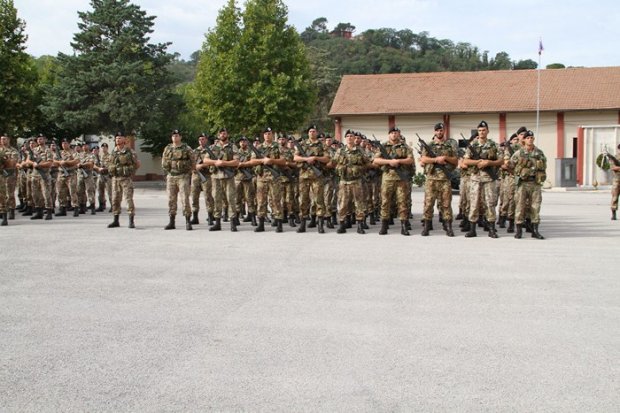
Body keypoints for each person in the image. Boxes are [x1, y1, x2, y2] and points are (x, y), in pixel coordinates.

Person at [463, 121, 503, 238]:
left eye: (484, 130)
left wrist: (489, 162)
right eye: (479, 130)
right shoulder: (472, 145)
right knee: (474, 203)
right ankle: (472, 230)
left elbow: (501, 161)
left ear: (488, 131)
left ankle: (491, 229)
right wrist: (478, 162)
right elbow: (465, 160)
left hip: (489, 179)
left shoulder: (494, 145)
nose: (481, 132)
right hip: (475, 179)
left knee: (490, 203)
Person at [372, 126, 415, 235]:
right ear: (389, 134)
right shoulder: (383, 146)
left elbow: (410, 160)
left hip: (401, 179)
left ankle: (404, 226)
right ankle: (384, 226)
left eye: (396, 133)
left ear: (399, 134)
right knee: (385, 202)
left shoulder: (405, 147)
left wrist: (398, 161)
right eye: (392, 133)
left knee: (402, 202)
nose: (394, 134)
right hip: (387, 178)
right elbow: (376, 160)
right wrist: (389, 162)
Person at [419, 123, 458, 236]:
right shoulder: (429, 145)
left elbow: (455, 161)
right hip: (431, 178)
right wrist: (436, 160)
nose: (439, 132)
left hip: (445, 179)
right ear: (434, 132)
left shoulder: (450, 145)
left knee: (446, 204)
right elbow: (423, 159)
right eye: (437, 130)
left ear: (444, 131)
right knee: (428, 203)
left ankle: (448, 227)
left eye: (441, 130)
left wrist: (445, 158)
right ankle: (426, 226)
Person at [509, 130, 547, 239]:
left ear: (533, 139)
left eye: (531, 138)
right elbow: (510, 166)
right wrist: (517, 175)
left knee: (535, 206)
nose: (530, 139)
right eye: (527, 138)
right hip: (523, 184)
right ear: (524, 140)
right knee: (520, 206)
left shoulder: (539, 153)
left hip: (535, 183)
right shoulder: (519, 153)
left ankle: (535, 231)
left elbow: (544, 166)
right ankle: (519, 230)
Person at [294, 125, 330, 233]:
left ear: (316, 132)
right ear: (308, 133)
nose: (312, 133)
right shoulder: (302, 144)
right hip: (304, 176)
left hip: (317, 176)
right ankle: (302, 224)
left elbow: (327, 159)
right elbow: (295, 157)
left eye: (314, 131)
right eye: (310, 131)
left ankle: (320, 225)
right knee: (303, 200)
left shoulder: (322, 145)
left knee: (319, 200)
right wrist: (306, 159)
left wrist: (315, 158)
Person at [250, 127, 287, 232]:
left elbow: (283, 161)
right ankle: (261, 224)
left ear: (272, 135)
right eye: (265, 134)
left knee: (276, 200)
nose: (267, 135)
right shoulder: (259, 147)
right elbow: (252, 161)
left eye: (269, 133)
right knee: (261, 200)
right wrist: (263, 160)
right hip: (261, 177)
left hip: (274, 177)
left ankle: (279, 223)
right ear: (263, 135)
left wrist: (271, 160)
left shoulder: (277, 146)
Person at [202, 127, 239, 231]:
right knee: (216, 198)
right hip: (216, 177)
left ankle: (233, 223)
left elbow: (236, 162)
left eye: (224, 133)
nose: (223, 135)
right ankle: (217, 223)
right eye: (221, 133)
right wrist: (216, 162)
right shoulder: (212, 147)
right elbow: (205, 160)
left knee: (231, 199)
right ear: (218, 135)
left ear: (227, 134)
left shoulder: (232, 147)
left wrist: (224, 163)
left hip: (228, 177)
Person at [334, 130, 370, 234]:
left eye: (351, 136)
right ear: (345, 138)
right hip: (344, 182)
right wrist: (340, 168)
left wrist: (359, 168)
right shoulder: (340, 151)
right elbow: (333, 163)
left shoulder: (360, 151)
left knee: (359, 204)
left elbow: (367, 163)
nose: (350, 137)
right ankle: (342, 224)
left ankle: (360, 225)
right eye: (348, 136)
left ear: (354, 138)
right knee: (342, 203)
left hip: (356, 181)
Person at [161, 130, 194, 230]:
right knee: (171, 199)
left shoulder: (186, 148)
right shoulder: (168, 148)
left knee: (185, 199)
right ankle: (172, 222)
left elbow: (193, 162)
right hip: (171, 176)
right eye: (173, 136)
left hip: (183, 176)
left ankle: (188, 221)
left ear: (180, 137)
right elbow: (164, 161)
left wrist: (189, 173)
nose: (175, 137)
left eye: (177, 135)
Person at [108, 132, 140, 228]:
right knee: (115, 199)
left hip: (126, 179)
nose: (118, 140)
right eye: (116, 138)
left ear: (124, 140)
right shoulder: (113, 151)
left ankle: (131, 220)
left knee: (128, 199)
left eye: (120, 138)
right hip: (115, 179)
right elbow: (110, 163)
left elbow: (137, 164)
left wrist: (130, 171)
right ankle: (116, 220)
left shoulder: (130, 151)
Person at [190, 133, 214, 225]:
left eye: (203, 139)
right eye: (200, 139)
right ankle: (195, 217)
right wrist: (195, 166)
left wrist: (202, 165)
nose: (201, 141)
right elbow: (190, 162)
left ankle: (210, 217)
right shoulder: (194, 151)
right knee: (194, 196)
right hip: (196, 176)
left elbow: (213, 161)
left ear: (206, 140)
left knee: (208, 197)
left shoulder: (210, 150)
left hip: (206, 175)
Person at [53, 138, 81, 217]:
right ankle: (62, 208)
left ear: (69, 144)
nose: (64, 145)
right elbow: (54, 161)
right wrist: (60, 162)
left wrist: (66, 163)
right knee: (60, 191)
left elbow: (76, 161)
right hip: (61, 174)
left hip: (71, 174)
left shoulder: (73, 152)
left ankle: (75, 208)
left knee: (72, 191)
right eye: (63, 143)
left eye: (66, 143)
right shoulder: (59, 153)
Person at [235, 136, 257, 226]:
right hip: (237, 178)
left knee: (250, 199)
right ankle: (236, 218)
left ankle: (253, 218)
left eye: (244, 141)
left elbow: (253, 161)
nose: (242, 143)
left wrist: (242, 164)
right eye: (241, 142)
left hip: (248, 178)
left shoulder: (251, 152)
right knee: (237, 199)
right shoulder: (236, 152)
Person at [0, 134, 19, 220]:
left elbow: (13, 163)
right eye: (2, 139)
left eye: (5, 139)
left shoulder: (13, 150)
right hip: (1, 175)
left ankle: (11, 210)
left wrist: (4, 160)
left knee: (10, 193)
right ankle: (2, 211)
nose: (3, 141)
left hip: (10, 175)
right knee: (1, 194)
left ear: (8, 140)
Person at [94, 142, 112, 212]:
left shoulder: (110, 156)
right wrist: (98, 168)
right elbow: (94, 164)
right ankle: (101, 205)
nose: (104, 148)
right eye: (102, 147)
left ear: (107, 148)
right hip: (100, 175)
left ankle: (113, 206)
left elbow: (112, 165)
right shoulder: (99, 156)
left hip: (107, 175)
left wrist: (106, 168)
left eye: (105, 147)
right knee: (100, 191)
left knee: (110, 191)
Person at [610, 144, 620, 220]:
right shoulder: (615, 158)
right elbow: (613, 167)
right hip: (617, 180)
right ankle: (613, 213)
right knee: (615, 197)